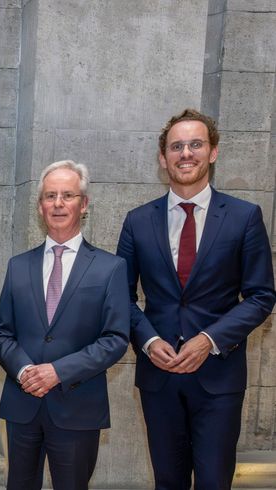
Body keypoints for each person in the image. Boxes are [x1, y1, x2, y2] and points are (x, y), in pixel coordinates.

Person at [116, 109, 275, 489]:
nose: (186, 153)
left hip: (219, 378)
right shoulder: (138, 221)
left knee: (214, 481)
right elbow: (118, 297)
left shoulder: (244, 217)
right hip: (159, 376)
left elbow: (260, 296)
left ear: (213, 152)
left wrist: (209, 340)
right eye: (176, 146)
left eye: (195, 144)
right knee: (167, 481)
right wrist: (149, 340)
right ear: (163, 158)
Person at [0, 160, 130, 489]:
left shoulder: (110, 269)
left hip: (77, 406)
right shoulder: (18, 266)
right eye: (50, 196)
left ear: (83, 204)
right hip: (22, 404)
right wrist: (25, 370)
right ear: (40, 206)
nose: (57, 203)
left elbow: (115, 339)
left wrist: (58, 371)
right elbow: (3, 334)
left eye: (67, 195)